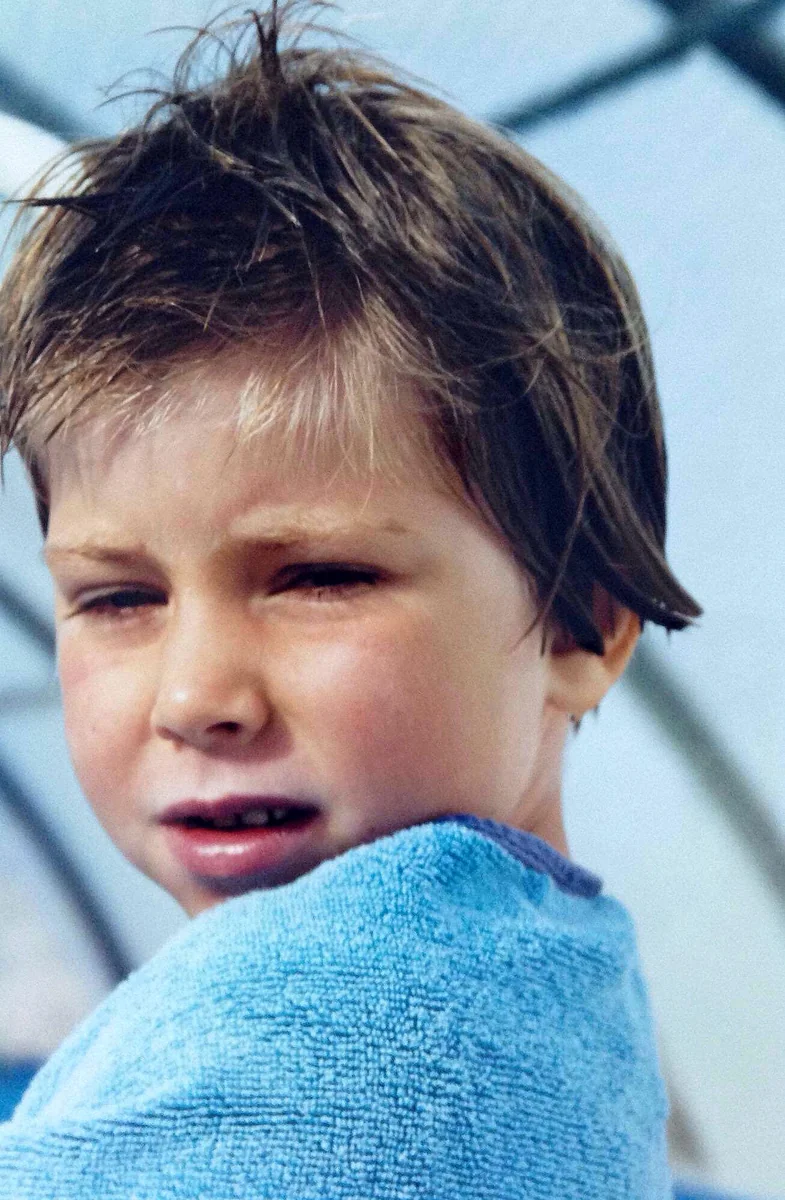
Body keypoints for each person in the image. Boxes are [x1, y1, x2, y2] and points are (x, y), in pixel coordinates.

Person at [0, 3, 701, 1195]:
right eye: (118, 598)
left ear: (582, 626)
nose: (195, 695)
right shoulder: (544, 976)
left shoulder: (347, 1049)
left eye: (319, 579)